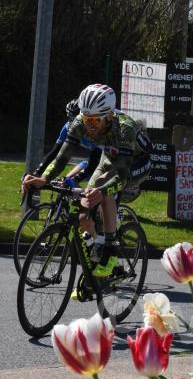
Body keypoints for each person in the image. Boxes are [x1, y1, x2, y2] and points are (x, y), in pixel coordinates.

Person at [22, 83, 151, 279]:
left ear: (108, 116)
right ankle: (96, 248)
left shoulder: (125, 128)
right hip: (108, 157)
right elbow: (61, 158)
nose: (89, 125)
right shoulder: (80, 122)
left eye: (95, 120)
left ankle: (110, 250)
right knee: (83, 214)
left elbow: (121, 175)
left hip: (136, 162)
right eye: (86, 118)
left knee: (103, 190)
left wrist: (101, 190)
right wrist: (43, 178)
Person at [28, 99, 101, 186]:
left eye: (75, 118)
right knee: (67, 179)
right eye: (70, 118)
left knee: (96, 188)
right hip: (89, 161)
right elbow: (55, 153)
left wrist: (77, 179)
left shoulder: (96, 130)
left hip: (107, 162)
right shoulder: (67, 128)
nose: (73, 123)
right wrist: (38, 173)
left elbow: (95, 161)